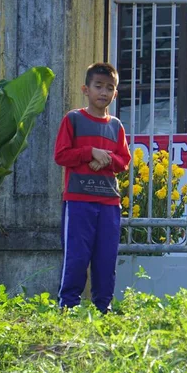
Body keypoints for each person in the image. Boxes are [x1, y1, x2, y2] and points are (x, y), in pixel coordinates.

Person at [54, 62, 131, 313]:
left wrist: (106, 158)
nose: (104, 92)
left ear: (115, 94)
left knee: (106, 258)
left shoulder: (116, 126)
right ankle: (68, 306)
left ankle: (103, 308)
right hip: (78, 201)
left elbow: (124, 161)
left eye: (110, 88)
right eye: (98, 86)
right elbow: (61, 155)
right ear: (85, 89)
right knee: (76, 256)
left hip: (109, 202)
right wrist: (90, 153)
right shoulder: (73, 119)